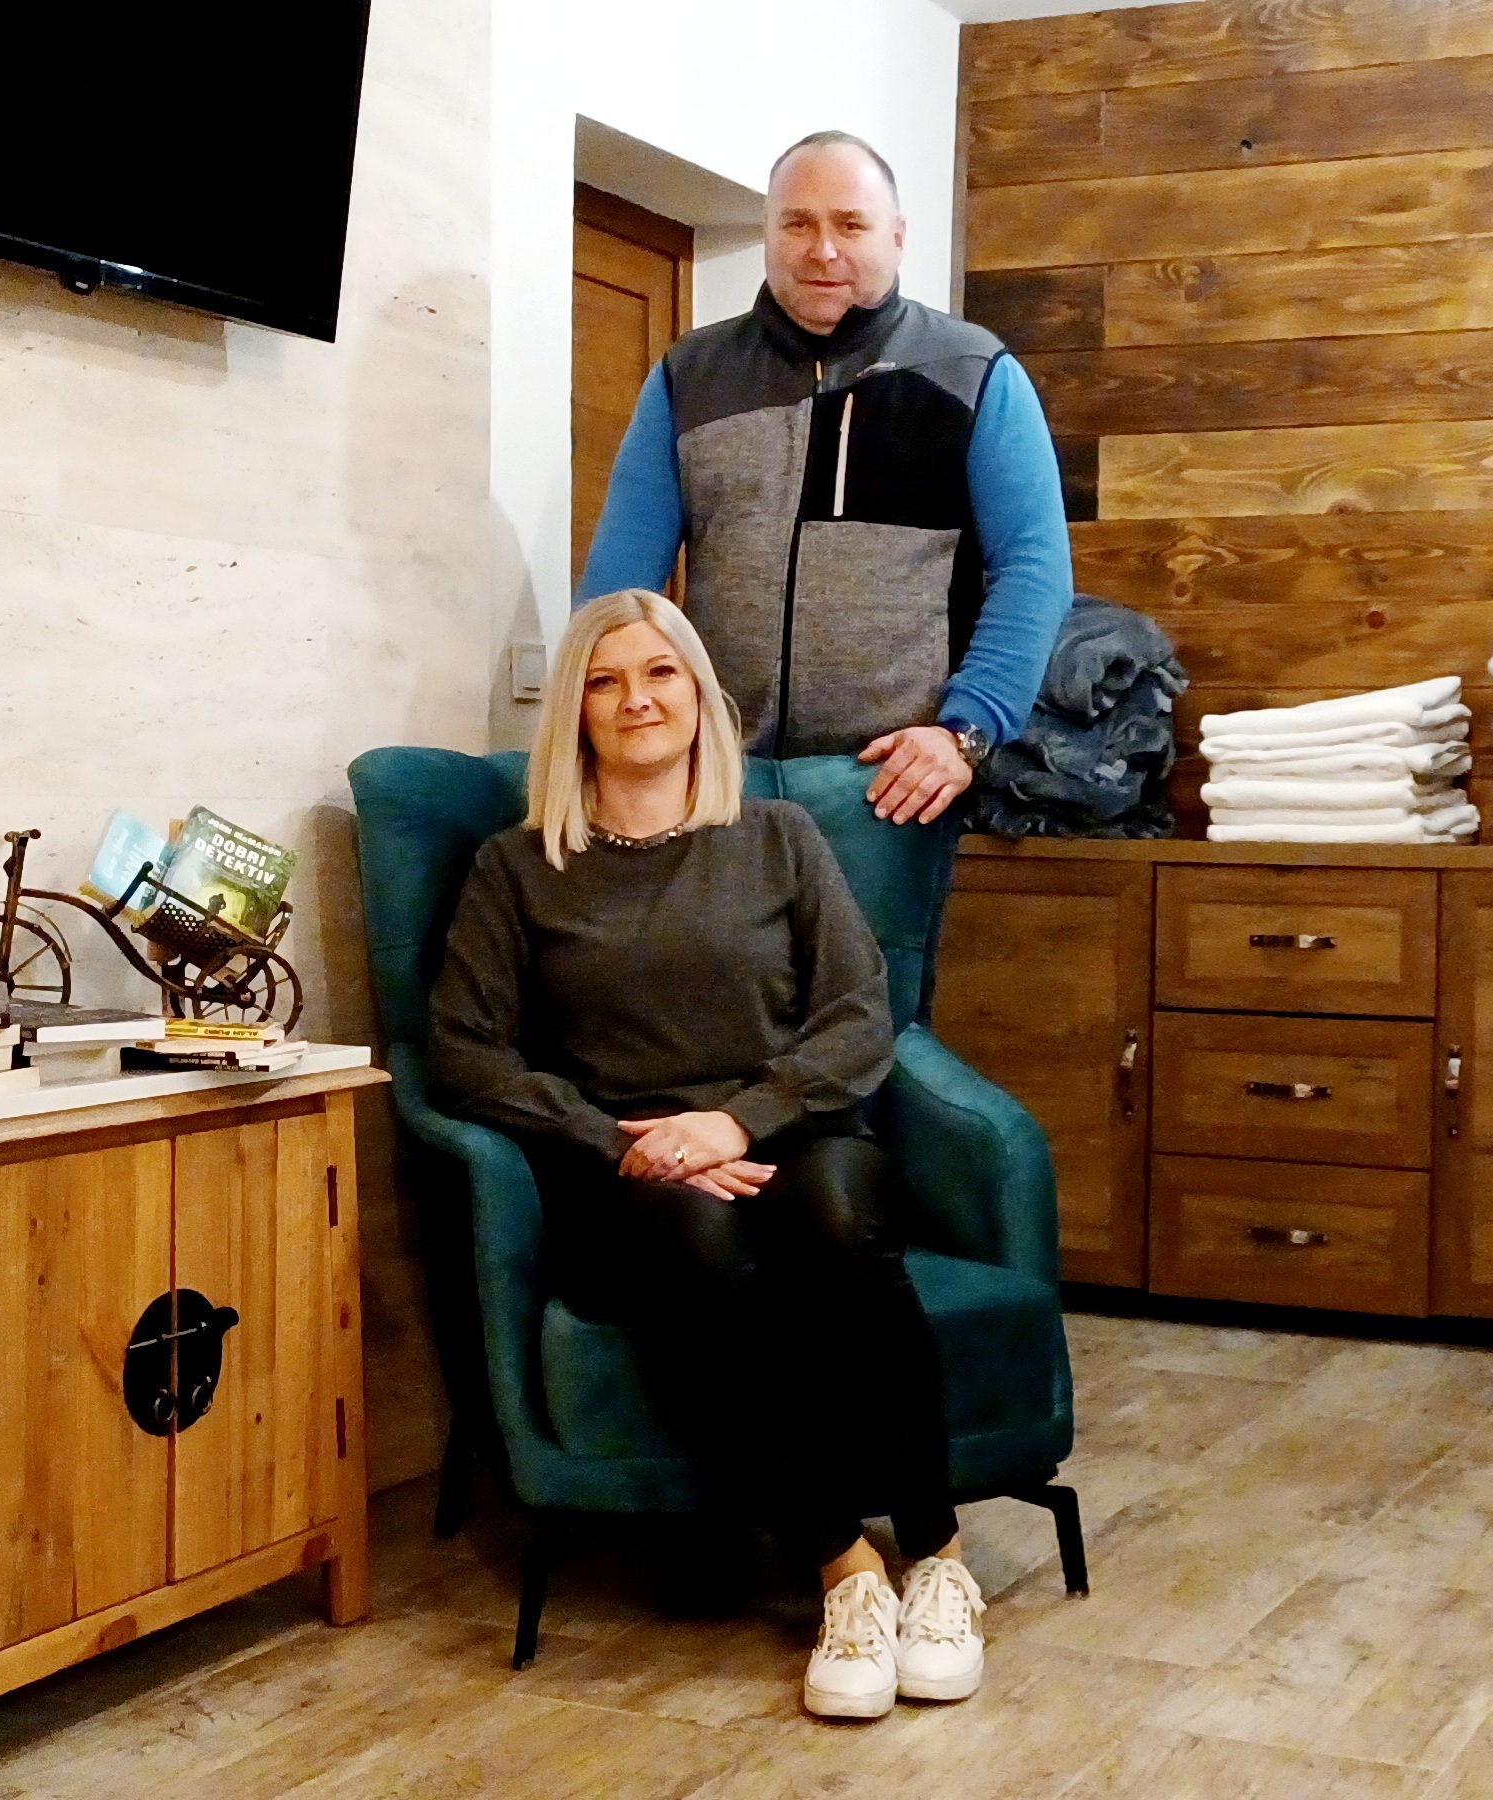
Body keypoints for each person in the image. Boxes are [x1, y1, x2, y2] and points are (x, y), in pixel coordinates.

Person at [428, 588, 986, 1720]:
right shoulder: (517, 866)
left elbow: (858, 1012)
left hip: (792, 1132)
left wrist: (739, 1121)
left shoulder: (778, 837)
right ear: (573, 711)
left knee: (837, 1221)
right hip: (630, 1168)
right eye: (603, 680)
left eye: (659, 673)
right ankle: (844, 1567)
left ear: (698, 694)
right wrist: (610, 1140)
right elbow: (462, 1049)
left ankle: (937, 1556)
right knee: (694, 1235)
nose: (635, 699)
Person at [575, 130, 1073, 829]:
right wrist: (598, 734)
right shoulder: (688, 376)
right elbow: (618, 588)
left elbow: (1035, 567)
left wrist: (966, 731)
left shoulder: (974, 372)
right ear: (768, 232)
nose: (824, 249)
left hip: (889, 784)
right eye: (798, 224)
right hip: (715, 773)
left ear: (896, 237)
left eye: (850, 225)